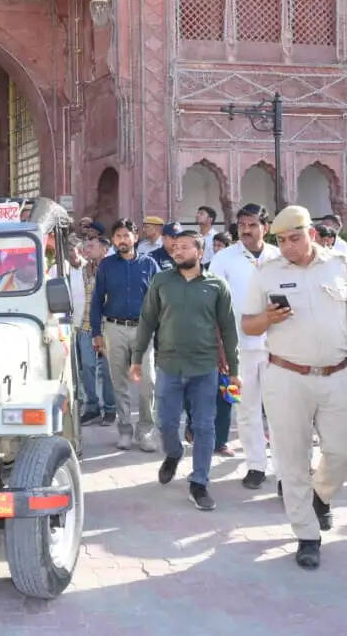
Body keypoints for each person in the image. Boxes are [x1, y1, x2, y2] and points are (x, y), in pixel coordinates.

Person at [241, 205, 347, 571]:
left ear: (312, 234)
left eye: (295, 238)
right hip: (286, 376)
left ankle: (321, 495)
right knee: (292, 458)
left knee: (345, 451)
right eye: (281, 240)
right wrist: (267, 318)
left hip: (337, 374)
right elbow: (248, 325)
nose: (288, 247)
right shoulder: (266, 273)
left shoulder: (339, 265)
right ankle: (307, 535)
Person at [131, 230, 239, 511]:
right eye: (174, 247)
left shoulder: (217, 285)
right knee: (165, 422)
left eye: (183, 247)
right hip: (169, 366)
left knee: (204, 426)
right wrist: (136, 357)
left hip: (205, 368)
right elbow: (147, 320)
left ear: (199, 252)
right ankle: (174, 453)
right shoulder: (161, 281)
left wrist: (235, 368)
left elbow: (228, 328)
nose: (176, 251)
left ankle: (199, 482)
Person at [208, 203, 281, 489]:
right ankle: (255, 466)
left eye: (252, 224)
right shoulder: (224, 259)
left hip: (280, 347)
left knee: (280, 410)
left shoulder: (279, 256)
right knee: (246, 408)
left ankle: (285, 470)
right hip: (239, 348)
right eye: (242, 225)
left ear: (266, 227)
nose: (247, 230)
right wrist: (220, 348)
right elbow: (212, 305)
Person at [90, 218, 157, 451]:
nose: (122, 240)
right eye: (117, 236)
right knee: (119, 382)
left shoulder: (149, 265)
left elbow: (159, 301)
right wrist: (96, 333)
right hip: (114, 328)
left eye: (126, 235)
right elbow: (97, 300)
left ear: (135, 238)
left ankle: (145, 431)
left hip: (143, 330)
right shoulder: (107, 266)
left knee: (148, 383)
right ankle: (125, 430)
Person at [77, 237, 117, 426]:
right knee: (88, 368)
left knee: (108, 371)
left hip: (107, 327)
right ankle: (92, 407)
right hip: (86, 326)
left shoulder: (113, 268)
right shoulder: (85, 269)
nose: (87, 249)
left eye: (92, 246)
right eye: (86, 246)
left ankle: (110, 409)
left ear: (105, 248)